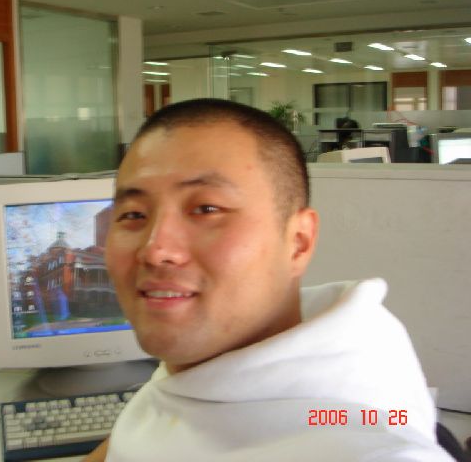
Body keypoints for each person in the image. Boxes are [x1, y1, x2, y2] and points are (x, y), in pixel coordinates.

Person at [84, 98, 453, 461]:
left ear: (298, 242)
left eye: (206, 209)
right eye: (133, 214)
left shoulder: (364, 445)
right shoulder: (206, 364)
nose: (155, 249)